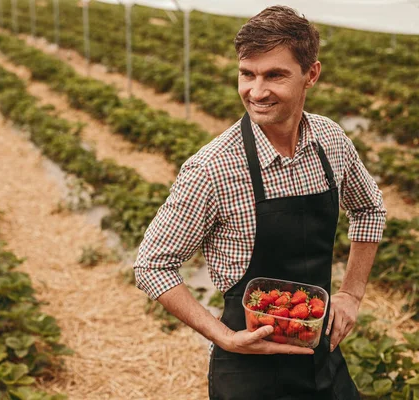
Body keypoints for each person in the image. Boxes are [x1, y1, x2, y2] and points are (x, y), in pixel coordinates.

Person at [133, 5, 386, 400]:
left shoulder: (330, 142)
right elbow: (152, 264)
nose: (256, 91)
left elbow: (370, 208)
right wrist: (224, 337)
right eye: (246, 74)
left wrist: (352, 294)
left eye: (274, 75)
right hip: (248, 372)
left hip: (320, 357)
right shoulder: (213, 167)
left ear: (311, 75)